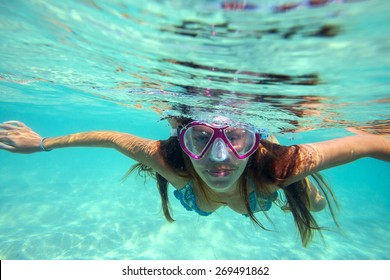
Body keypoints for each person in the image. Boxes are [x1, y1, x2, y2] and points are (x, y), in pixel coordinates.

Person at [0, 118, 389, 247]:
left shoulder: (279, 166)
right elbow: (110, 137)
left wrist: (41, 145)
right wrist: (40, 143)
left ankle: (302, 192)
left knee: (313, 203)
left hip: (267, 187)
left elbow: (368, 142)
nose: (218, 160)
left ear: (255, 142)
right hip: (246, 191)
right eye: (200, 138)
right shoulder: (173, 164)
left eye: (236, 136)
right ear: (182, 142)